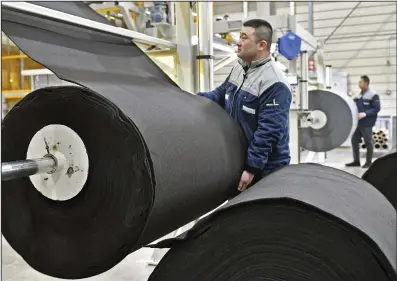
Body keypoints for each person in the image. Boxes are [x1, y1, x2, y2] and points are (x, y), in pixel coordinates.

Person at [197, 19, 292, 192]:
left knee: (259, 215)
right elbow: (220, 94)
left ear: (261, 45)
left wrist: (251, 168)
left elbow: (269, 131)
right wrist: (192, 99)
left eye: (244, 37)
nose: (238, 42)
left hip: (265, 169)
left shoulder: (275, 83)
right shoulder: (240, 68)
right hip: (240, 158)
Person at [346, 75, 380, 168]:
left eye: (360, 82)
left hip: (367, 123)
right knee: (354, 140)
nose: (359, 84)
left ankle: (369, 162)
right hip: (358, 123)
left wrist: (365, 113)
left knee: (368, 142)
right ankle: (356, 161)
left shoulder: (373, 95)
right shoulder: (359, 95)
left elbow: (376, 108)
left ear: (366, 83)